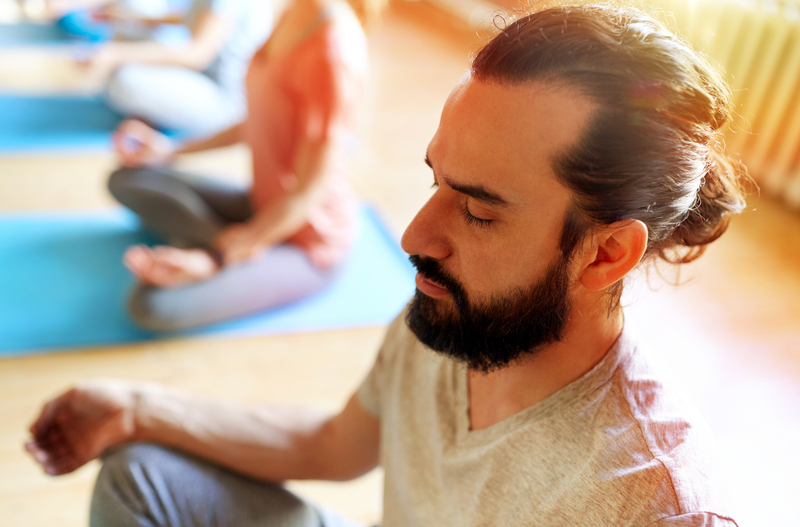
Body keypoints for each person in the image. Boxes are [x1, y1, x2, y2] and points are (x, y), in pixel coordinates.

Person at [25, 4, 746, 526]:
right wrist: (138, 409)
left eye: (479, 210)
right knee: (139, 472)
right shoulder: (452, 303)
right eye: (437, 181)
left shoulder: (652, 505)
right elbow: (335, 444)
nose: (413, 234)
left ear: (605, 253)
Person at [105, 0, 381, 331]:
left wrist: (214, 259)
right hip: (262, 205)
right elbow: (259, 120)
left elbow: (306, 195)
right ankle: (230, 241)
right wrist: (170, 149)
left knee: (150, 303)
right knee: (129, 179)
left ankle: (227, 247)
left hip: (307, 240)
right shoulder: (295, 13)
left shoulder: (333, 51)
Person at [40, 0, 273, 135]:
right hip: (198, 79)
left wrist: (115, 54)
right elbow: (189, 19)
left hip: (226, 104)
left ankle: (153, 114)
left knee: (124, 79)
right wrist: (131, 19)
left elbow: (195, 54)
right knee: (130, 42)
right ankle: (153, 111)